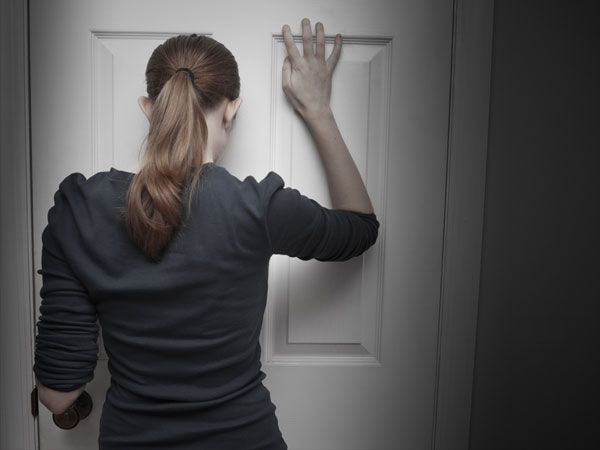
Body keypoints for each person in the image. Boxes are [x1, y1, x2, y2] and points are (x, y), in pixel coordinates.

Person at [33, 18, 379, 450]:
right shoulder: (258, 207)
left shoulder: (78, 210)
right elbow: (360, 228)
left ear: (148, 108)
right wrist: (317, 109)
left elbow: (58, 395)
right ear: (231, 109)